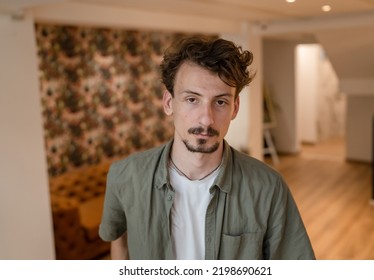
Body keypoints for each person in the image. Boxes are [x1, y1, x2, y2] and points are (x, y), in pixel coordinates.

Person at [99, 36, 315, 260]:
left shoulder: (268, 187)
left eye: (220, 102)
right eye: (192, 99)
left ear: (235, 107)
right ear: (168, 103)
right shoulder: (124, 176)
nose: (206, 120)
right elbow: (120, 244)